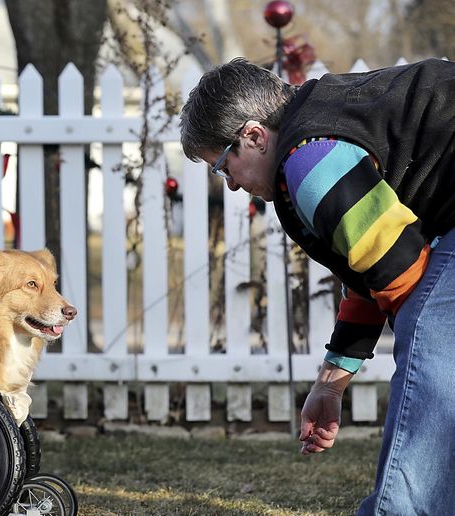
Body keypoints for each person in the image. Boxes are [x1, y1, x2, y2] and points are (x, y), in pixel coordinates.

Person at [179, 57, 455, 515]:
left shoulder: (310, 159)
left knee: (431, 350)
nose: (229, 186)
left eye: (223, 166)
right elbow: (372, 271)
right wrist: (330, 385)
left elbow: (403, 274)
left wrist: (426, 349)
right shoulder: (324, 124)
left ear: (252, 135)